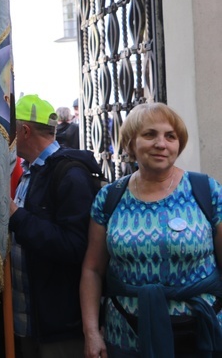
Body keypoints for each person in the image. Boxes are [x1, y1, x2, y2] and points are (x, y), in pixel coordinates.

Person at [81, 102, 222, 357]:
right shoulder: (109, 197)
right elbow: (92, 269)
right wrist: (91, 332)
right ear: (130, 143)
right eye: (149, 134)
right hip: (126, 333)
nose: (161, 143)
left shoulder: (206, 190)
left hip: (201, 332)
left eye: (170, 136)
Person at [8, 94, 100, 357]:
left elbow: (75, 246)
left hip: (58, 326)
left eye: (9, 130)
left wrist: (16, 216)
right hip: (30, 323)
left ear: (24, 131)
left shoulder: (70, 174)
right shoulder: (29, 170)